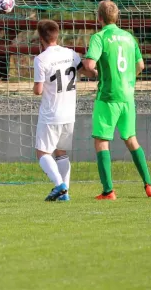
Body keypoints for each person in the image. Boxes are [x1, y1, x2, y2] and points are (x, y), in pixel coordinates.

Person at [83, 0, 151, 200]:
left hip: (108, 96)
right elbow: (141, 65)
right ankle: (149, 186)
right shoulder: (128, 37)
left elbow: (90, 65)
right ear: (117, 17)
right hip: (127, 96)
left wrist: (95, 72)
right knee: (131, 140)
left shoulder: (99, 37)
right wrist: (128, 81)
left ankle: (108, 191)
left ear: (99, 18)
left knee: (101, 141)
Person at [33, 19, 95, 201]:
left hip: (51, 114)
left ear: (40, 37)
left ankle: (59, 185)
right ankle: (65, 193)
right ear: (57, 34)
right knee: (61, 152)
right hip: (69, 113)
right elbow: (86, 71)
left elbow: (38, 90)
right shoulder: (71, 54)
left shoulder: (41, 59)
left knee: (43, 152)